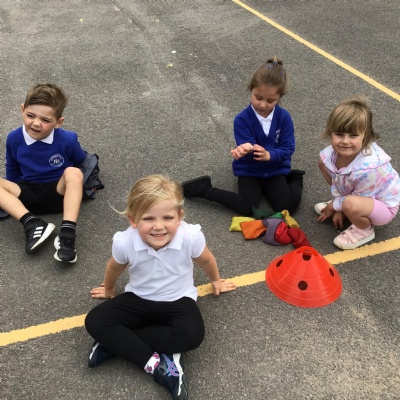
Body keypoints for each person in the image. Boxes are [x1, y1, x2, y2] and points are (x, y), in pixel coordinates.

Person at [84, 175, 236, 400]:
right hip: (138, 297)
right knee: (95, 321)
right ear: (133, 219)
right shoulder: (125, 241)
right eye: (148, 218)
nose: (158, 226)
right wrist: (109, 288)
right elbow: (114, 266)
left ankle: (115, 344)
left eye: (167, 217)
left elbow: (205, 259)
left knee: (192, 336)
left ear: (179, 217)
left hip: (179, 299)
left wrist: (216, 280)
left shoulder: (189, 236)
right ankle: (160, 366)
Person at [182, 56, 304, 217]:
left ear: (279, 97)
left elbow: (288, 148)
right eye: (258, 97)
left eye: (270, 100)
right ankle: (205, 189)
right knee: (247, 207)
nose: (262, 104)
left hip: (275, 168)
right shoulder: (242, 119)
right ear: (251, 90)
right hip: (250, 169)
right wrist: (247, 149)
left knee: (287, 207)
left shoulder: (284, 117)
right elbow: (247, 147)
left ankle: (295, 178)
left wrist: (269, 155)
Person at [0, 83, 86, 262]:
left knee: (74, 172)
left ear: (58, 122)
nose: (36, 123)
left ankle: (67, 236)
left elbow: (80, 159)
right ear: (22, 110)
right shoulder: (14, 138)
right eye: (30, 115)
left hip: (59, 194)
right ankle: (32, 223)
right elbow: (12, 167)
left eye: (46, 120)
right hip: (27, 194)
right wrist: (10, 197)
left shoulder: (67, 139)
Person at [315, 94, 400, 250]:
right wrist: (338, 204)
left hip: (383, 205)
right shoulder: (334, 155)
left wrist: (336, 206)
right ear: (331, 133)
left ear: (365, 137)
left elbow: (362, 197)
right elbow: (340, 181)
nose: (345, 141)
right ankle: (345, 206)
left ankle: (364, 230)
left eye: (353, 135)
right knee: (323, 163)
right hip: (361, 195)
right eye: (339, 134)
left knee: (351, 204)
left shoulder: (369, 169)